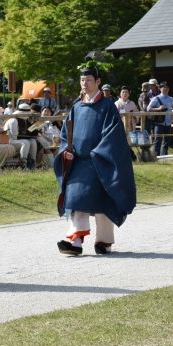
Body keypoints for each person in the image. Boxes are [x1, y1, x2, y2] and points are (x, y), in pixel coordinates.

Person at [55, 64, 136, 256]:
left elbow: (113, 135)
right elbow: (66, 132)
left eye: (88, 80)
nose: (84, 83)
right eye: (82, 80)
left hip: (101, 160)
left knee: (104, 202)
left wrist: (99, 153)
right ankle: (74, 241)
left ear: (98, 82)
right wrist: (66, 149)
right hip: (78, 162)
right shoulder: (76, 106)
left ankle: (104, 241)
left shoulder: (108, 106)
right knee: (75, 198)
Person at [4, 102, 37, 169]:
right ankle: (23, 164)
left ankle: (32, 163)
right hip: (9, 140)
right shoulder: (14, 120)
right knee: (26, 142)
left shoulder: (23, 120)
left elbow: (25, 133)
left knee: (33, 141)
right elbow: (14, 137)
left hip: (17, 139)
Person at [146, 81, 173, 156]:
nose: (165, 89)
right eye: (163, 87)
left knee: (166, 141)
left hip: (168, 122)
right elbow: (148, 109)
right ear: (160, 88)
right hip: (159, 122)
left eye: (167, 87)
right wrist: (158, 108)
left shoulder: (171, 99)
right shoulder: (156, 98)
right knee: (157, 140)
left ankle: (164, 156)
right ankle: (155, 156)